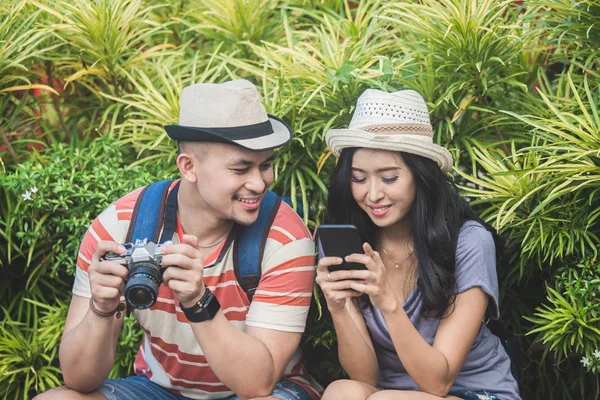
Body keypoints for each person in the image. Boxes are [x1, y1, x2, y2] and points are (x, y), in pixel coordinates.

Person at [36, 79, 321, 400]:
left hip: (266, 389)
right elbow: (79, 378)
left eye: (266, 165)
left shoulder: (283, 237)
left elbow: (258, 384)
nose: (259, 183)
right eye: (241, 169)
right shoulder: (119, 227)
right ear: (188, 167)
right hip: (162, 389)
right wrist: (101, 309)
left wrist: (198, 301)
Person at [315, 88, 521, 400]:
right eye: (359, 178)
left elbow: (438, 384)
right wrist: (339, 307)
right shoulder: (349, 241)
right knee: (340, 391)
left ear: (420, 176)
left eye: (388, 179)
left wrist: (388, 303)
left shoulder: (467, 242)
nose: (372, 195)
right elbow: (365, 376)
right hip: (390, 395)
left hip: (475, 392)